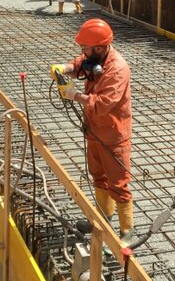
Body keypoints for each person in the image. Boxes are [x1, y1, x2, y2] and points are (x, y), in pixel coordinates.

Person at [51, 18, 134, 243]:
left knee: (118, 183)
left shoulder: (117, 69)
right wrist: (65, 69)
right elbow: (80, 64)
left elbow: (102, 104)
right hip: (94, 130)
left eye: (85, 48)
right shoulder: (95, 57)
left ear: (99, 47)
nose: (83, 52)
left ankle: (127, 231)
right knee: (98, 176)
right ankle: (103, 217)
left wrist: (74, 95)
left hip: (113, 135)